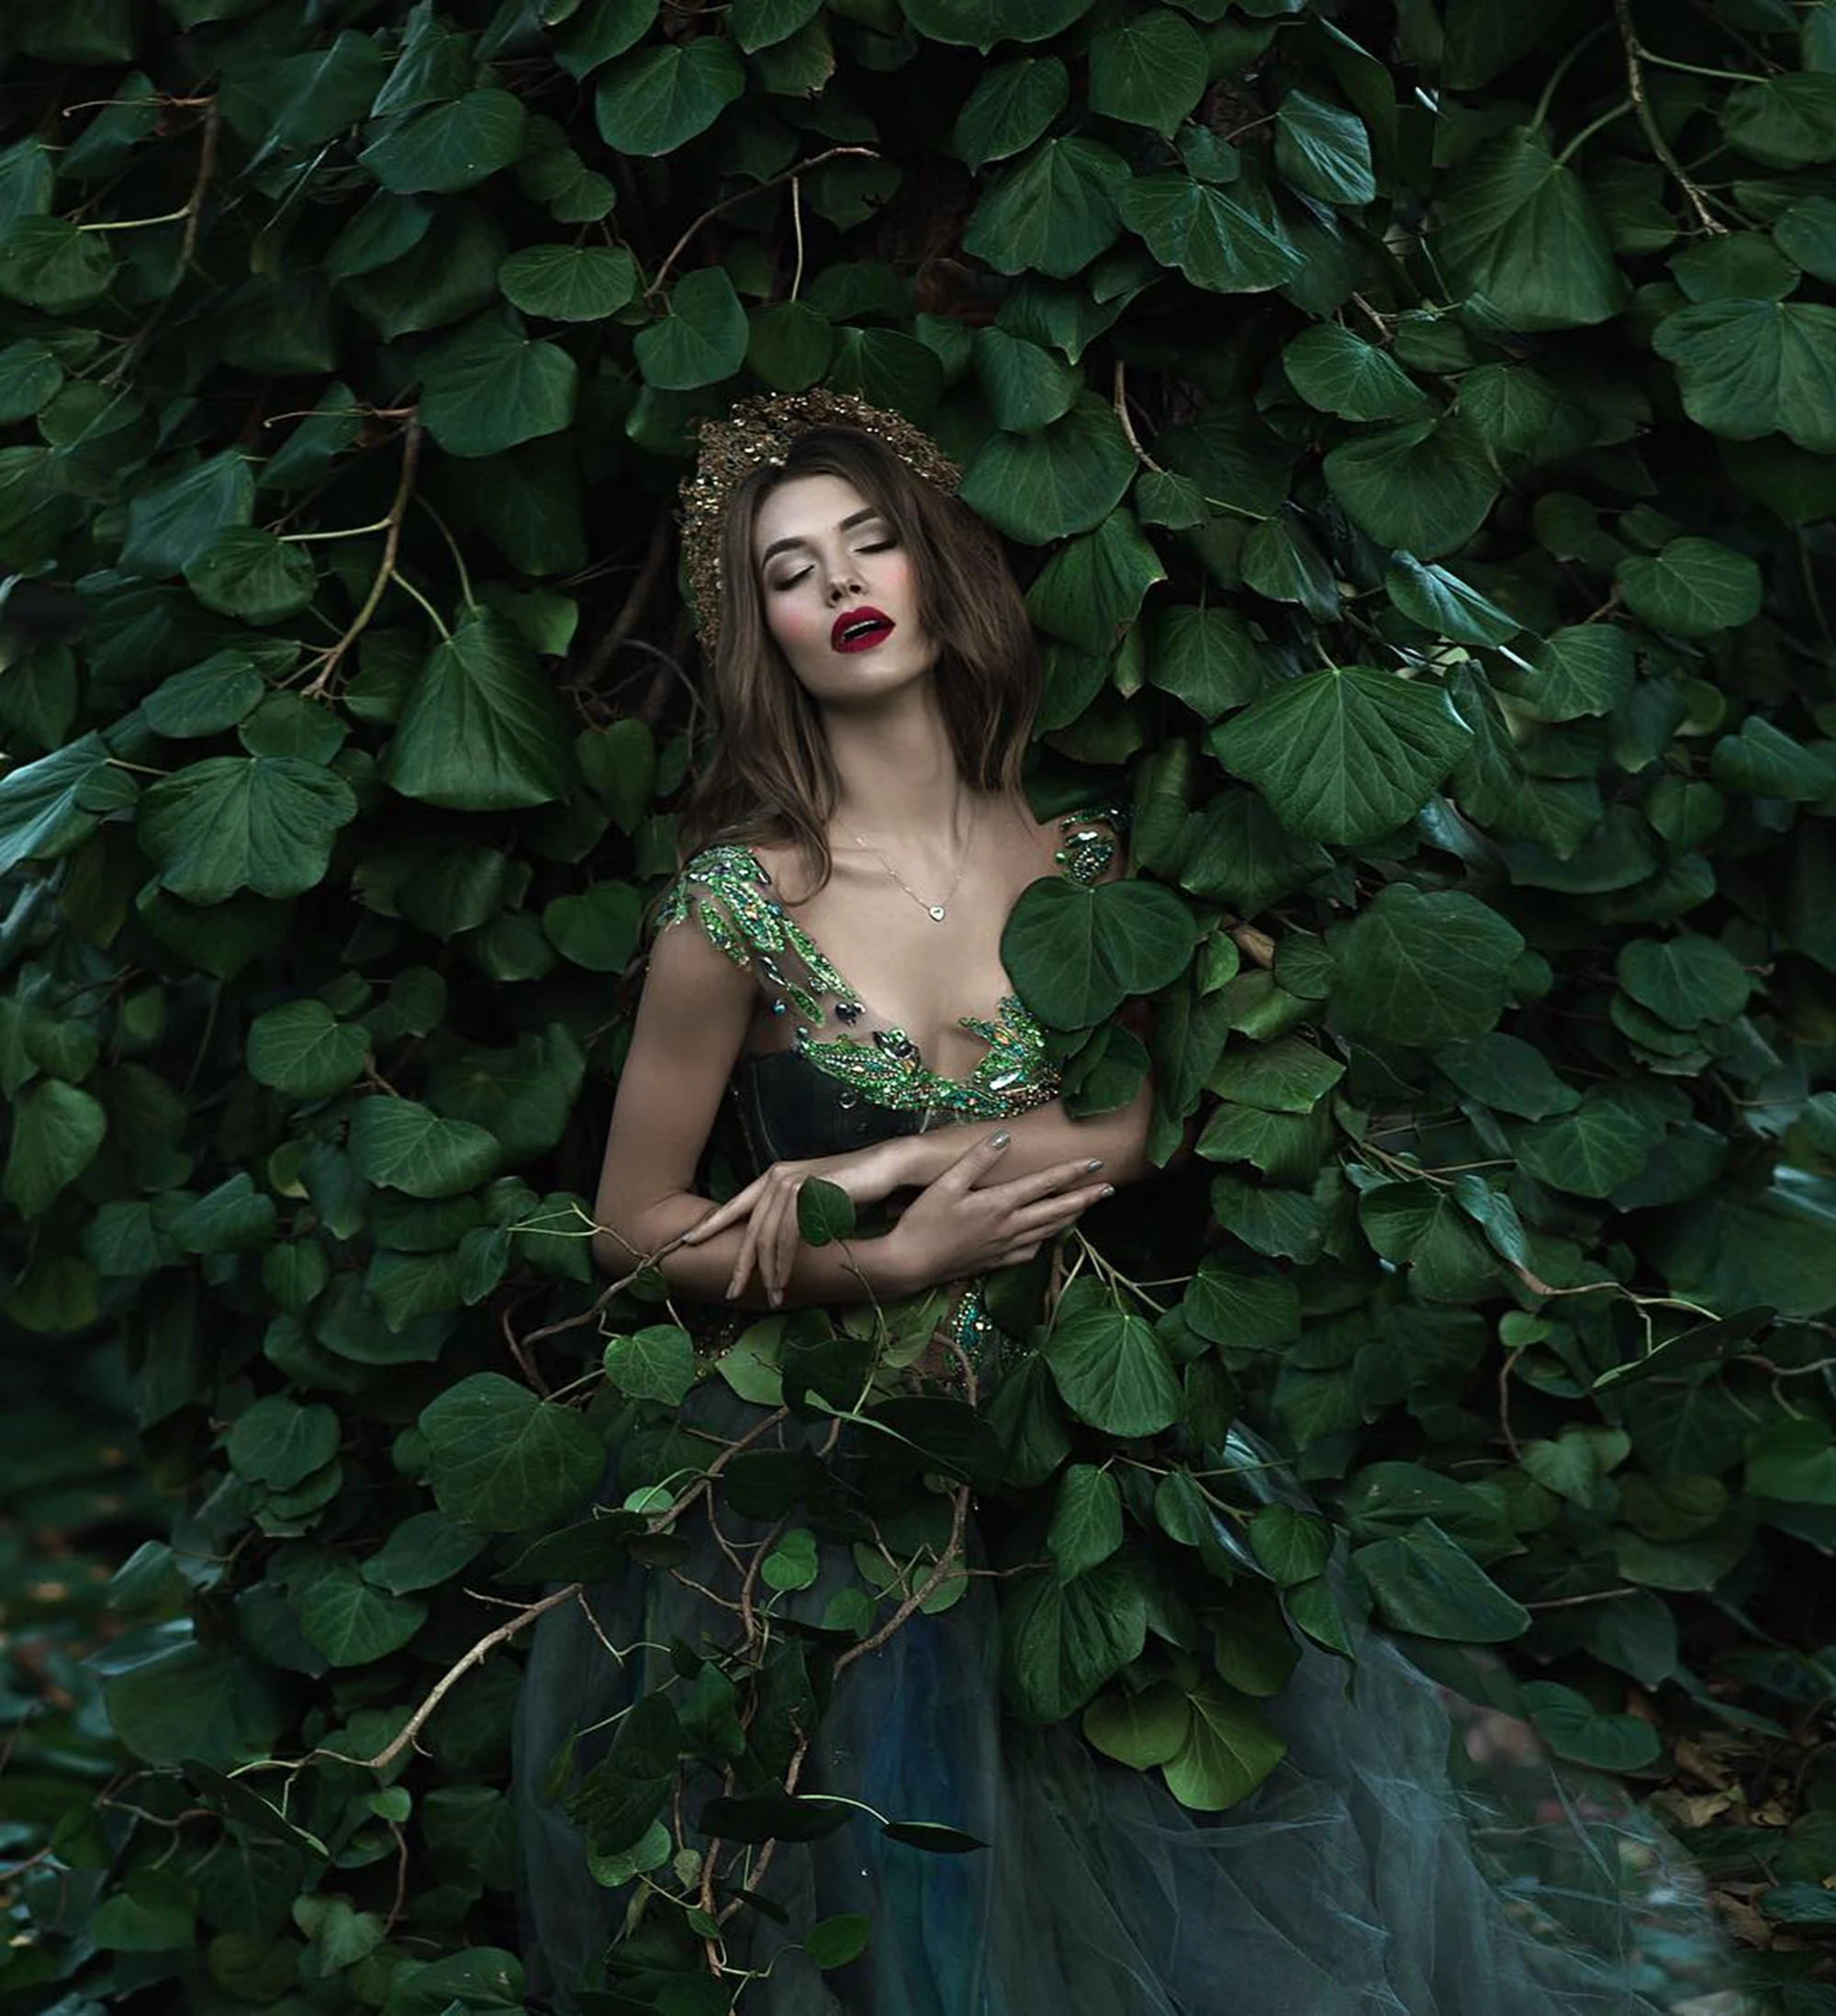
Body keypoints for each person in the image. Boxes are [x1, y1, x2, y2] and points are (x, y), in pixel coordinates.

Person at [511, 390, 1749, 2015]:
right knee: (891, 1845)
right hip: (830, 1460)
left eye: (872, 543)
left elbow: (1131, 1129)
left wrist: (869, 1163)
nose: (843, 586)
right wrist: (889, 1264)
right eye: (793, 573)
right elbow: (630, 1224)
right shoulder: (739, 905)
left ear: (944, 570)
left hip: (1089, 1419)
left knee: (1200, 1806)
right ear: (770, 637)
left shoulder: (1092, 862)